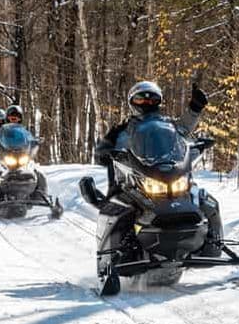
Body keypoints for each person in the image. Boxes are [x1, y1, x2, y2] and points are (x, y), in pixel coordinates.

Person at [94, 80, 221, 257]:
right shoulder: (122, 129)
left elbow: (183, 129)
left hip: (167, 174)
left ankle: (213, 244)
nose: (146, 103)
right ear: (132, 102)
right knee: (122, 207)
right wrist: (105, 152)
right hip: (134, 181)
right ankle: (114, 256)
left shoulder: (168, 125)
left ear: (158, 102)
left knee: (205, 200)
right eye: (141, 100)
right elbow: (102, 150)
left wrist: (195, 108)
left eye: (151, 100)